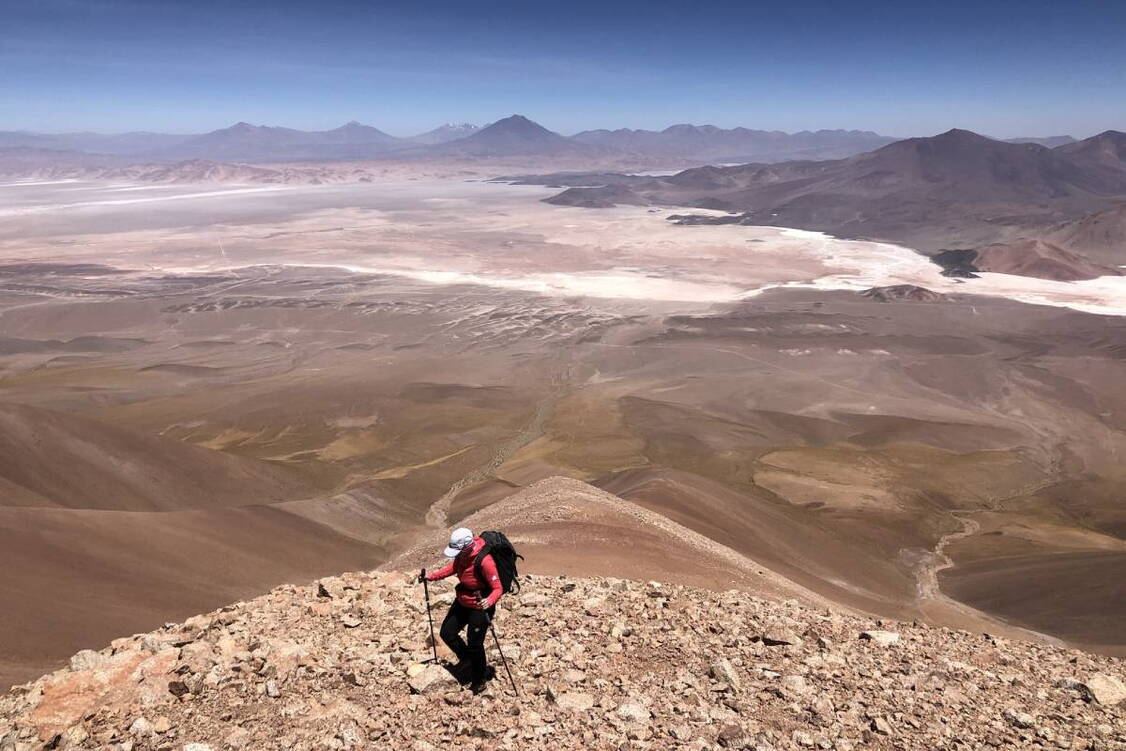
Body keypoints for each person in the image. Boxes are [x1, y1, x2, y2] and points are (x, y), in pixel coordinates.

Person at [420, 527, 503, 693]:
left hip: (480, 606)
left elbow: (497, 588)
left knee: (475, 643)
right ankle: (467, 660)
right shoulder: (462, 556)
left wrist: (489, 601)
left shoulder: (485, 561)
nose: (455, 554)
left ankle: (479, 680)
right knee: (447, 633)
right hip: (463, 600)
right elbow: (453, 568)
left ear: (467, 547)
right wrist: (432, 576)